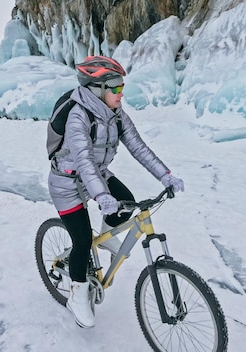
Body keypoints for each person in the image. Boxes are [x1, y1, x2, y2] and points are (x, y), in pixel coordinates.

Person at [46, 55, 185, 328]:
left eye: (123, 86)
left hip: (96, 175)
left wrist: (165, 175)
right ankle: (77, 292)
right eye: (117, 87)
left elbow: (138, 147)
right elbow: (83, 159)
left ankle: (106, 234)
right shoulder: (78, 116)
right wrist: (101, 196)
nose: (122, 93)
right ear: (98, 90)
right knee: (83, 241)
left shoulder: (116, 115)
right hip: (67, 183)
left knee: (128, 202)